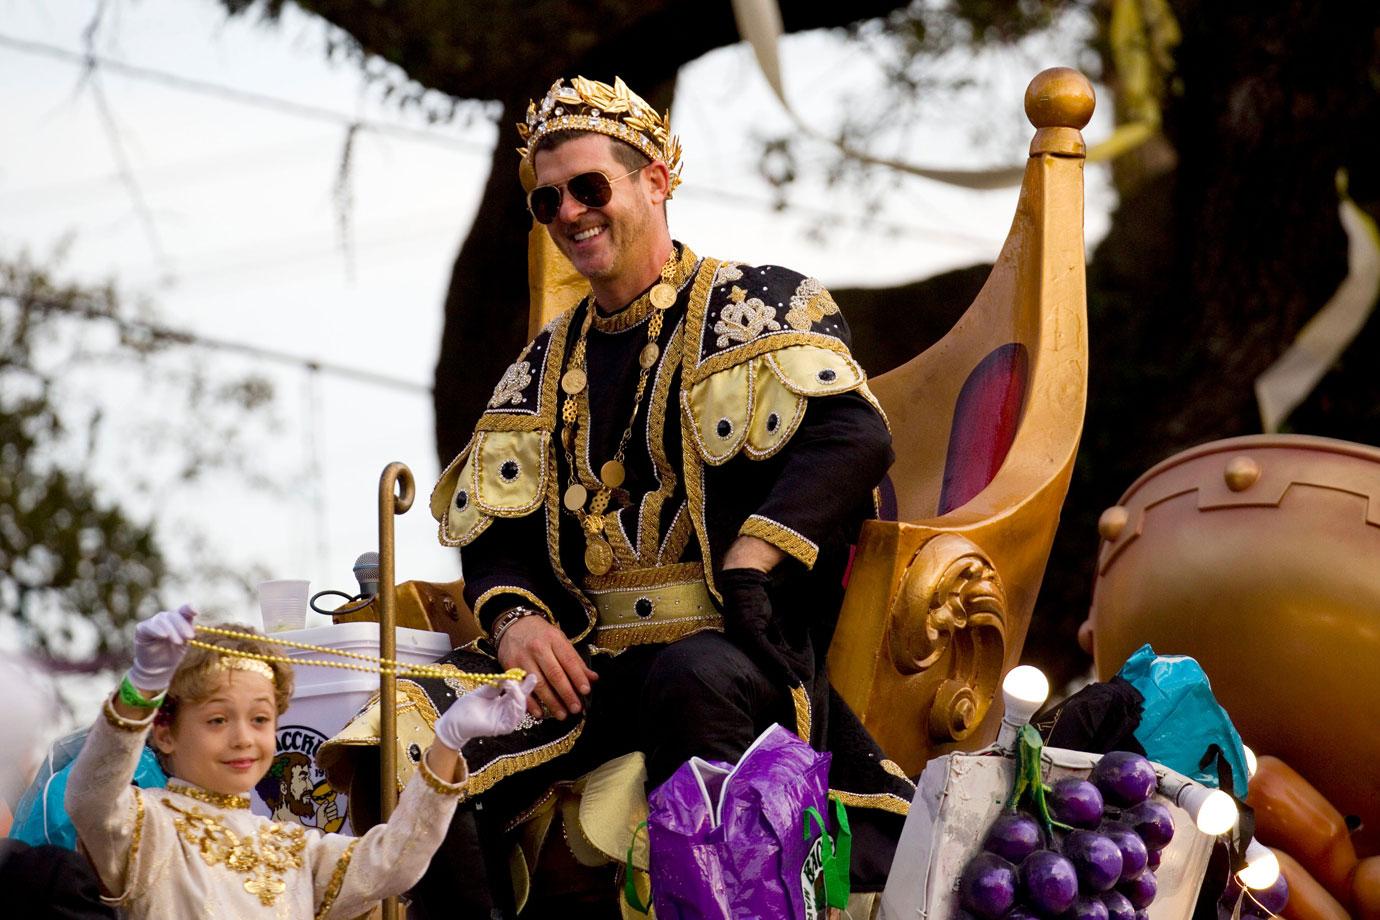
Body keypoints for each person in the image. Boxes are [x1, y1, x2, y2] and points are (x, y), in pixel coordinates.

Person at [364, 74, 914, 916]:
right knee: (410, 720)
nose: (571, 215)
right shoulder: (541, 366)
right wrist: (517, 622)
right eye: (548, 202)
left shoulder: (756, 303)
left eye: (591, 188)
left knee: (689, 679)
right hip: (591, 670)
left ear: (656, 179)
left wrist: (752, 558)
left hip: (732, 649)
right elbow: (493, 533)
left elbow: (853, 437)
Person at [64, 605, 534, 919]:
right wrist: (140, 689)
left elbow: (394, 860)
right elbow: (91, 797)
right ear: (164, 732)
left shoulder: (292, 847)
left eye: (261, 718)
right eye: (217, 720)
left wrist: (448, 741)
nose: (243, 739)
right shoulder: (150, 828)